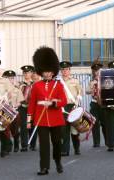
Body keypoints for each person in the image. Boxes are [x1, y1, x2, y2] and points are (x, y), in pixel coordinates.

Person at [27, 46, 67, 175]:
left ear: (53, 71)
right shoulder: (36, 86)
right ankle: (44, 167)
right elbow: (32, 104)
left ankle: (58, 161)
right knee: (43, 145)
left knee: (56, 143)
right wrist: (29, 120)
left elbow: (64, 101)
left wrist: (53, 103)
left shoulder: (58, 85)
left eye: (50, 71)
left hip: (56, 119)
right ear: (41, 71)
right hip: (41, 119)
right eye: (45, 71)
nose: (47, 73)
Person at [59, 61, 83, 156]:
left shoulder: (75, 81)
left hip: (73, 106)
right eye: (63, 69)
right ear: (61, 71)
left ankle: (77, 148)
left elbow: (80, 92)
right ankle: (65, 150)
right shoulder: (57, 82)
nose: (65, 71)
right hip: (62, 107)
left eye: (66, 69)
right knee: (63, 129)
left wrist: (77, 101)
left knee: (74, 130)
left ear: (69, 70)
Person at [0, 61, 14, 159]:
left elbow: (11, 92)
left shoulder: (4, 81)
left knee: (3, 129)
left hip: (2, 105)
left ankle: (5, 149)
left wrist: (8, 101)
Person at [2, 70, 25, 153]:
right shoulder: (1, 90)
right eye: (8, 78)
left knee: (14, 130)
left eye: (11, 78)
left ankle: (16, 143)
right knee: (5, 130)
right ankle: (8, 145)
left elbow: (20, 102)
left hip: (14, 111)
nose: (10, 80)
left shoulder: (17, 90)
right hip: (4, 112)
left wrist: (14, 106)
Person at [86, 60, 106, 148]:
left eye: (98, 70)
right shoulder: (92, 81)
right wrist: (92, 87)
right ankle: (96, 142)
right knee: (94, 123)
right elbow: (87, 91)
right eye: (95, 70)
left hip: (103, 103)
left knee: (105, 123)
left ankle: (108, 141)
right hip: (94, 104)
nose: (97, 72)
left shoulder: (106, 80)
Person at [18, 65, 36, 152]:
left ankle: (32, 144)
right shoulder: (20, 84)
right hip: (23, 107)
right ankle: (24, 145)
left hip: (33, 108)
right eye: (24, 73)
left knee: (32, 125)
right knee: (23, 126)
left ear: (31, 73)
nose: (26, 74)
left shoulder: (35, 84)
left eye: (28, 72)